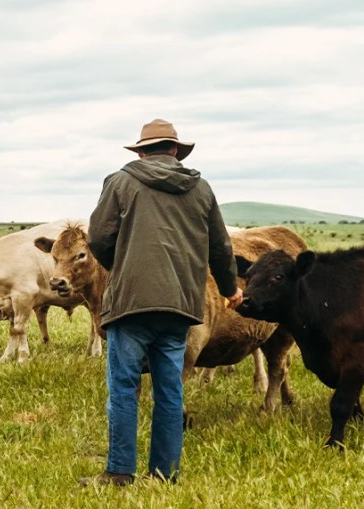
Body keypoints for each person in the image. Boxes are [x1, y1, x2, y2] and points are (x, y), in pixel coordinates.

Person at [80, 118, 243, 487]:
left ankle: (120, 472)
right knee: (170, 390)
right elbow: (221, 245)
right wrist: (231, 288)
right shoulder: (200, 188)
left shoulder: (120, 182)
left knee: (123, 387)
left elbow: (99, 238)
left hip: (131, 304)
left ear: (140, 151)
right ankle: (165, 473)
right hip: (182, 305)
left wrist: (122, 270)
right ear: (175, 151)